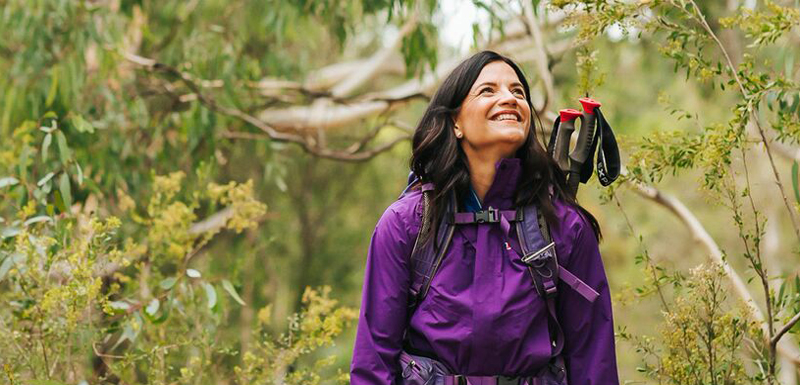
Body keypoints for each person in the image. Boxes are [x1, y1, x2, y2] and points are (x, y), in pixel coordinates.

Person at [350, 51, 619, 385]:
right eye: (488, 91)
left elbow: (594, 361)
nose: (509, 98)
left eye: (518, 92)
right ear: (455, 123)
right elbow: (373, 363)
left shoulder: (564, 226)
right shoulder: (407, 224)